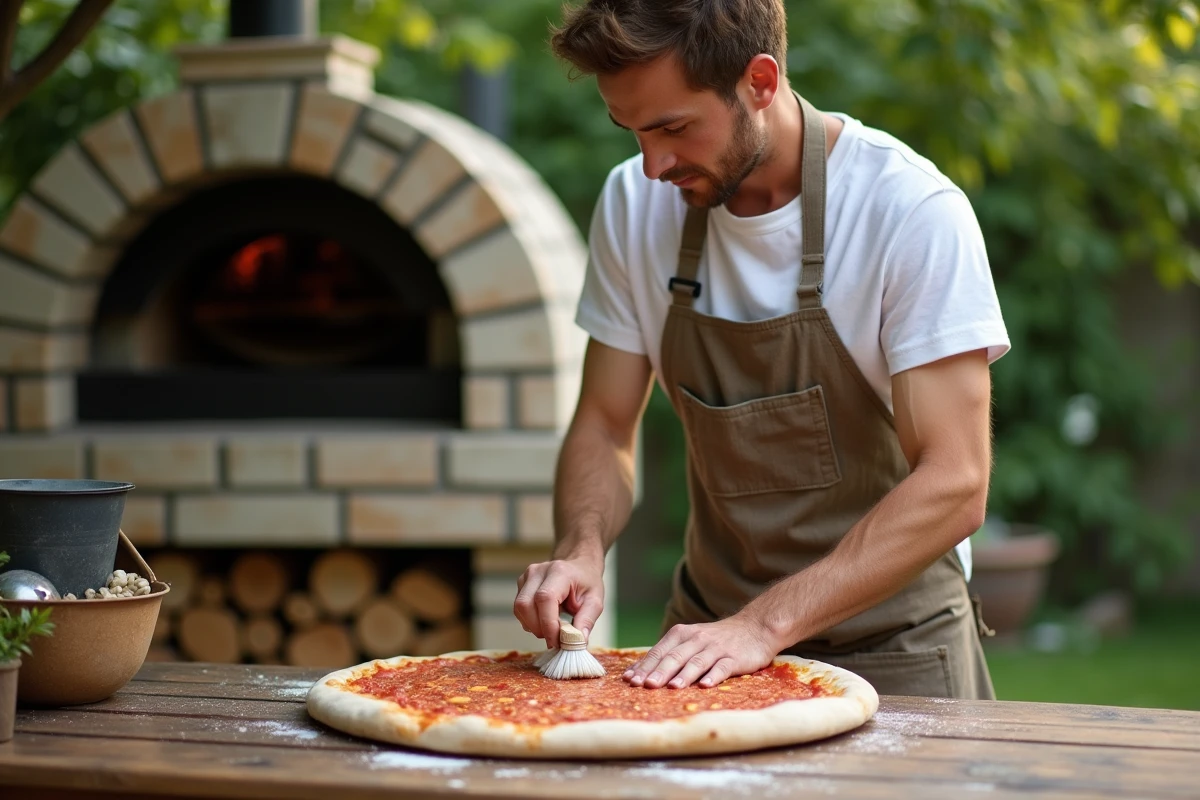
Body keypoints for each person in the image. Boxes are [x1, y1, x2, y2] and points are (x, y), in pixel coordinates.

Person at [512, 0, 1010, 699]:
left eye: (673, 128)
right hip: (703, 648)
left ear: (761, 82)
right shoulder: (633, 203)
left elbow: (956, 481)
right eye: (630, 131)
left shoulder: (908, 211)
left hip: (894, 647)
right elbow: (603, 422)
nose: (652, 165)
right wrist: (581, 549)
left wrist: (761, 627)